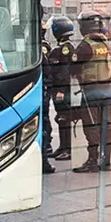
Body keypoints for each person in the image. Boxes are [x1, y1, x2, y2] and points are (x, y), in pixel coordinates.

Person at [71, 10, 111, 173]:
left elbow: (72, 69)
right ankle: (106, 161)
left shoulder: (85, 46)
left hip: (92, 91)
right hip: (108, 90)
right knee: (107, 126)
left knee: (91, 126)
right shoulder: (106, 44)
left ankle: (92, 160)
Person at [47, 16, 77, 162]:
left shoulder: (65, 48)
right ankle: (62, 147)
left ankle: (67, 149)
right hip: (59, 88)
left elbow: (65, 72)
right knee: (60, 118)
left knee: (64, 118)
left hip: (62, 89)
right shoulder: (64, 46)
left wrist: (61, 90)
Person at [39, 17, 56, 175]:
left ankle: (44, 158)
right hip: (40, 91)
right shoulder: (39, 47)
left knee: (44, 123)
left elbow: (47, 72)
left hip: (42, 91)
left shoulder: (40, 48)